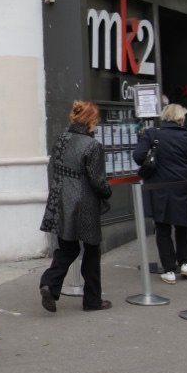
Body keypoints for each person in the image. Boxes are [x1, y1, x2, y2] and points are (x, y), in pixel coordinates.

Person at [38, 101, 113, 312]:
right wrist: (107, 191)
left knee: (67, 248)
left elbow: (55, 167)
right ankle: (92, 300)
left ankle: (49, 283)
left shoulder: (62, 138)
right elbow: (97, 181)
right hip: (85, 202)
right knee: (91, 251)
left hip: (62, 199)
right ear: (90, 120)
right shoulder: (93, 145)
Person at [133, 103, 187, 284]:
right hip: (183, 186)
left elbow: (138, 156)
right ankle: (185, 264)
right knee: (184, 226)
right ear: (180, 118)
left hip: (158, 187)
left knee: (162, 228)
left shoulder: (152, 134)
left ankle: (169, 269)